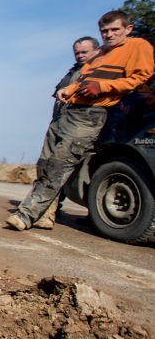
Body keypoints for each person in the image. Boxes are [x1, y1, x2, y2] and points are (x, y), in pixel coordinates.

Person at [6, 11, 154, 231]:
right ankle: (44, 214)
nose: (109, 35)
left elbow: (141, 76)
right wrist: (69, 89)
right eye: (105, 31)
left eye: (115, 30)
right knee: (45, 163)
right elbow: (84, 80)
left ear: (128, 29)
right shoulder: (102, 54)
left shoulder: (137, 47)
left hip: (91, 114)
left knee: (60, 164)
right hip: (68, 112)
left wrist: (103, 87)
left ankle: (27, 214)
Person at [33, 36, 101, 229]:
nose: (80, 55)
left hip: (81, 127)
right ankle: (44, 210)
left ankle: (47, 213)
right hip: (59, 123)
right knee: (45, 165)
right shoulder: (73, 72)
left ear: (96, 51)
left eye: (84, 52)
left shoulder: (100, 73)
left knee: (66, 169)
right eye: (77, 52)